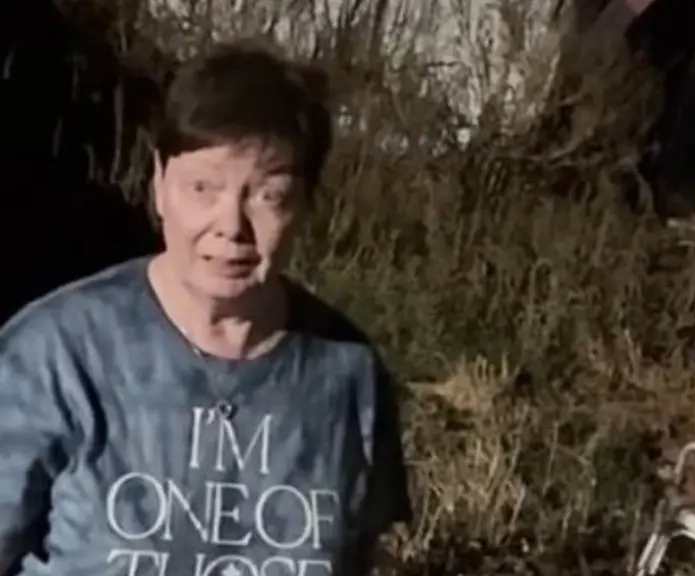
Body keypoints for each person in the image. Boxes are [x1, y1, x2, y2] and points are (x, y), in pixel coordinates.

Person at [0, 41, 411, 576]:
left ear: (306, 203)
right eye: (202, 188)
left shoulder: (349, 376)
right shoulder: (53, 355)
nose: (231, 226)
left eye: (268, 195)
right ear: (159, 184)